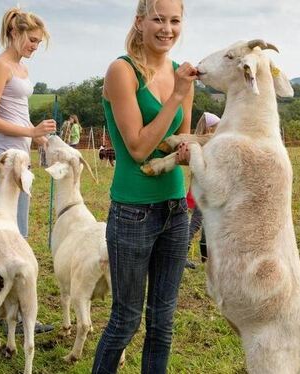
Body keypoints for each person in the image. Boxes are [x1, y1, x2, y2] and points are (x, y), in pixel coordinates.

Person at [91, 0, 196, 373]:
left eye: (174, 20)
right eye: (158, 19)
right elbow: (137, 148)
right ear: (140, 21)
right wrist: (176, 97)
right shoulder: (122, 71)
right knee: (126, 319)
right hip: (133, 212)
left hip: (176, 209)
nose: (167, 28)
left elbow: (180, 144)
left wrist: (192, 147)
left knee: (162, 322)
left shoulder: (180, 75)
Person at [0, 6, 57, 238]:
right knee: (16, 230)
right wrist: (31, 131)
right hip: (5, 158)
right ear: (15, 32)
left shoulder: (21, 67)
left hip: (20, 156)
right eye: (32, 40)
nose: (35, 46)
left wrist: (41, 139)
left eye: (38, 42)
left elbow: (17, 112)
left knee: (18, 227)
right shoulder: (0, 66)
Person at [184, 112, 220, 270]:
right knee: (197, 223)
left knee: (208, 222)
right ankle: (182, 255)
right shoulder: (205, 144)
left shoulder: (198, 143)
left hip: (205, 189)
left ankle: (206, 255)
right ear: (210, 128)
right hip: (204, 190)